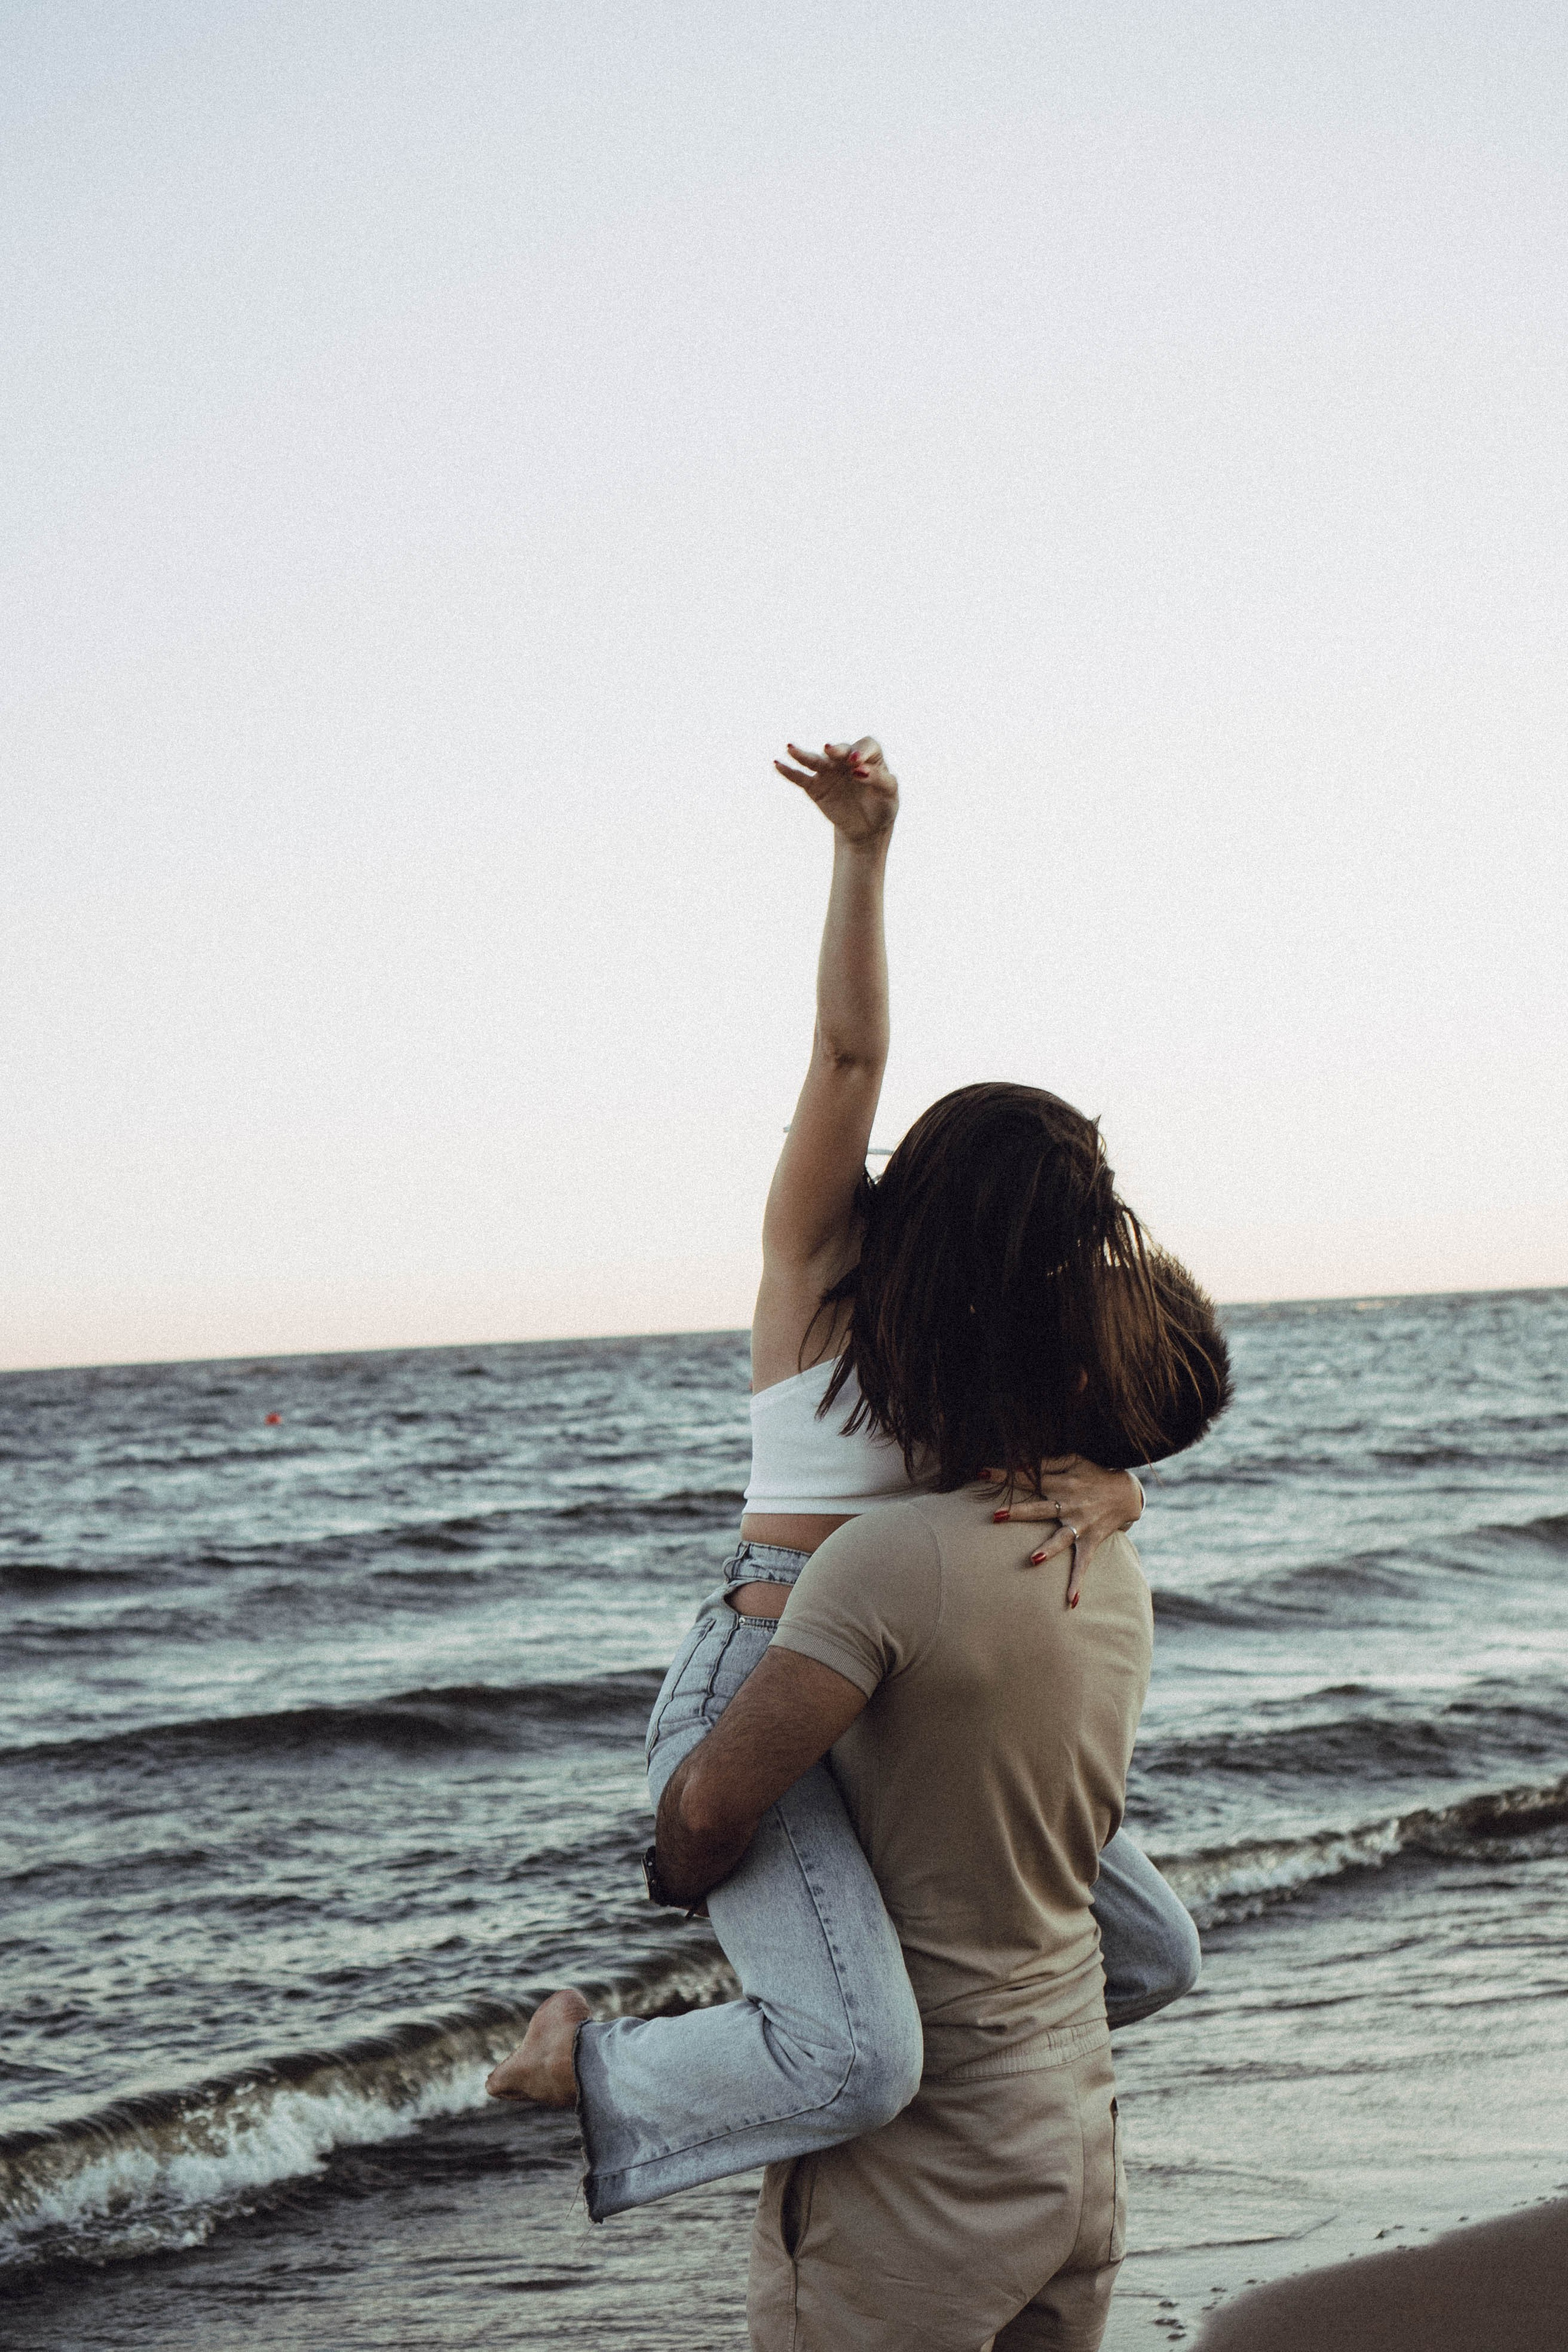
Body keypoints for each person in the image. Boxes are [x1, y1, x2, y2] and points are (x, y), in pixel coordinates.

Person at [486, 741, 1225, 2245]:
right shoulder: (820, 1262)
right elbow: (843, 1059)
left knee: (1153, 1957)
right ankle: (591, 2060)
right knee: (859, 2057)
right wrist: (862, 849)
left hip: (922, 1710)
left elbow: (1130, 1431)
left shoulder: (994, 1343)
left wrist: (1120, 1494)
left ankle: (837, 2052)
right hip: (760, 1680)